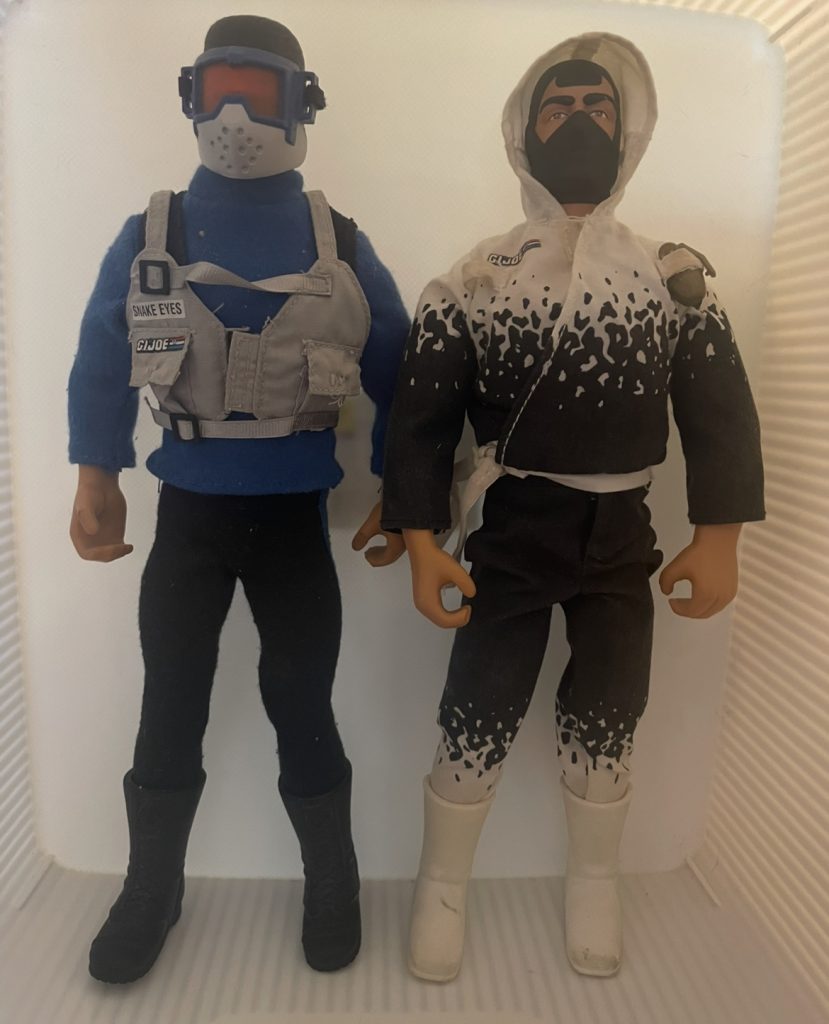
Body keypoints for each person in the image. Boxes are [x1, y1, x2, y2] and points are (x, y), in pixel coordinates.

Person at [379, 32, 763, 981]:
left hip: (623, 536)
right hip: (513, 530)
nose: (580, 120)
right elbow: (421, 419)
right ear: (524, 131)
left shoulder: (671, 276)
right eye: (559, 106)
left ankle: (595, 877)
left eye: (599, 106)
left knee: (610, 707)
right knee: (479, 701)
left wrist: (717, 537)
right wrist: (420, 537)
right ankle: (442, 880)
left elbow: (718, 413)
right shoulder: (475, 275)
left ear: (627, 132)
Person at [68, 14, 407, 984]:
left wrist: (404, 486)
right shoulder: (153, 233)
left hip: (294, 521)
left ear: (301, 104)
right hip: (188, 518)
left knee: (301, 701)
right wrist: (97, 473)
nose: (233, 117)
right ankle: (151, 886)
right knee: (168, 702)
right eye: (216, 90)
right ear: (189, 94)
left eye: (258, 94)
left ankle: (332, 879)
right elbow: (100, 357)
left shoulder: (338, 241)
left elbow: (403, 368)